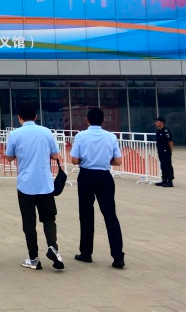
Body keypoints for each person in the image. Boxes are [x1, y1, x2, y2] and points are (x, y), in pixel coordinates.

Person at [5, 101, 63, 271]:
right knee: (49, 219)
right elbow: (55, 155)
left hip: (25, 185)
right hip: (45, 184)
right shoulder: (46, 132)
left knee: (29, 222)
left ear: (19, 118)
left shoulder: (15, 134)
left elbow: (9, 157)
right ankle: (52, 247)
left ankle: (33, 258)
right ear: (36, 116)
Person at [71, 107, 125, 269]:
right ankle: (118, 256)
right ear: (103, 120)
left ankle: (86, 252)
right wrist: (104, 160)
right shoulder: (111, 137)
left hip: (86, 176)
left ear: (87, 120)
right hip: (104, 177)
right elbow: (118, 161)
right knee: (110, 215)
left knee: (86, 215)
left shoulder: (81, 136)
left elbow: (74, 160)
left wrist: (87, 160)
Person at [154, 117, 174, 187]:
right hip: (160, 150)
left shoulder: (165, 131)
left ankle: (170, 181)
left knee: (167, 165)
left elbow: (169, 141)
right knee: (162, 165)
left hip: (166, 150)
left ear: (162, 122)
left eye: (157, 121)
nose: (156, 123)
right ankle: (164, 179)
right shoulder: (159, 131)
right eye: (156, 121)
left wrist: (171, 149)